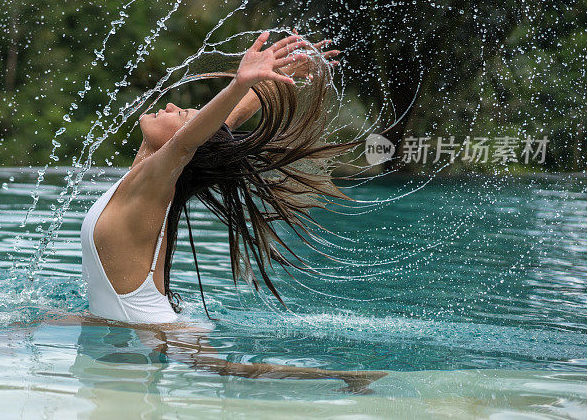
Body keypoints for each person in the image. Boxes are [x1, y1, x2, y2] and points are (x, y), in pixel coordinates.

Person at [75, 30, 386, 391]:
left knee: (232, 373)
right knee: (222, 374)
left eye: (184, 114)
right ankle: (347, 380)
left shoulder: (152, 183)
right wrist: (275, 81)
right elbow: (216, 129)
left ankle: (345, 379)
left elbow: (189, 141)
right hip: (149, 326)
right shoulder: (145, 176)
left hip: (154, 332)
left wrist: (241, 83)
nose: (173, 107)